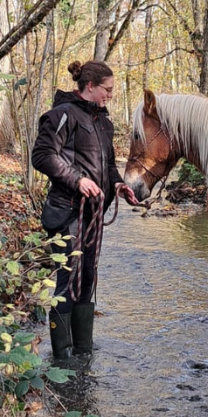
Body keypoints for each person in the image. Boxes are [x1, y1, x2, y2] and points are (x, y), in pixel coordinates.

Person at [31, 59, 139, 358]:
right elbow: (41, 156)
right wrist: (77, 180)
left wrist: (116, 185)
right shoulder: (61, 115)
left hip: (93, 214)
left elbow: (106, 165)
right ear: (89, 86)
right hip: (66, 212)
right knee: (68, 280)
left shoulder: (103, 121)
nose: (111, 95)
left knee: (88, 278)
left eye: (113, 90)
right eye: (108, 89)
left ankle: (83, 351)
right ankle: (62, 358)